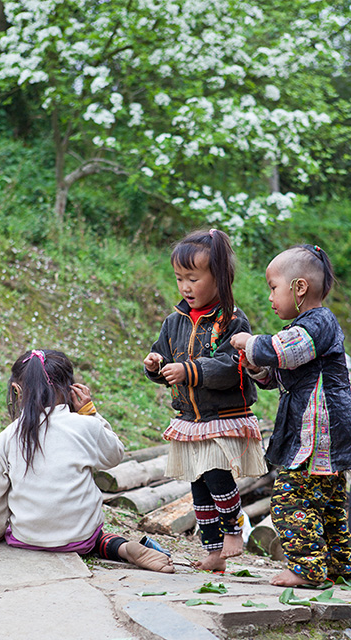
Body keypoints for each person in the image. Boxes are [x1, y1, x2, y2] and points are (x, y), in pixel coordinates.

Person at [231, 244, 351, 586]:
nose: (270, 296)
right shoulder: (306, 328)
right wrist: (255, 365)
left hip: (322, 432)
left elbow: (281, 351)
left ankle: (308, 568)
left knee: (290, 498)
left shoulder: (318, 322)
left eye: (273, 287)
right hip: (323, 433)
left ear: (299, 288)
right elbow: (280, 372)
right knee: (326, 500)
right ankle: (337, 566)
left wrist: (249, 342)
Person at [0, 349, 174, 573]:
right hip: (79, 538)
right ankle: (122, 548)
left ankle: (110, 545)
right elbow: (114, 456)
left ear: (17, 390)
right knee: (95, 537)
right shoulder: (84, 426)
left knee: (17, 521)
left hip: (26, 538)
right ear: (71, 389)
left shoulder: (6, 437)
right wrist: (90, 413)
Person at [143, 229, 267, 572]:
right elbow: (162, 354)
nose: (185, 286)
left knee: (216, 476)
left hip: (222, 414)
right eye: (179, 278)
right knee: (198, 487)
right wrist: (154, 365)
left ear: (220, 278)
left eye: (193, 278)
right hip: (191, 418)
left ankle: (234, 530)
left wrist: (190, 370)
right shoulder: (174, 322)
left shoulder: (231, 321)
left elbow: (232, 367)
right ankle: (213, 553)